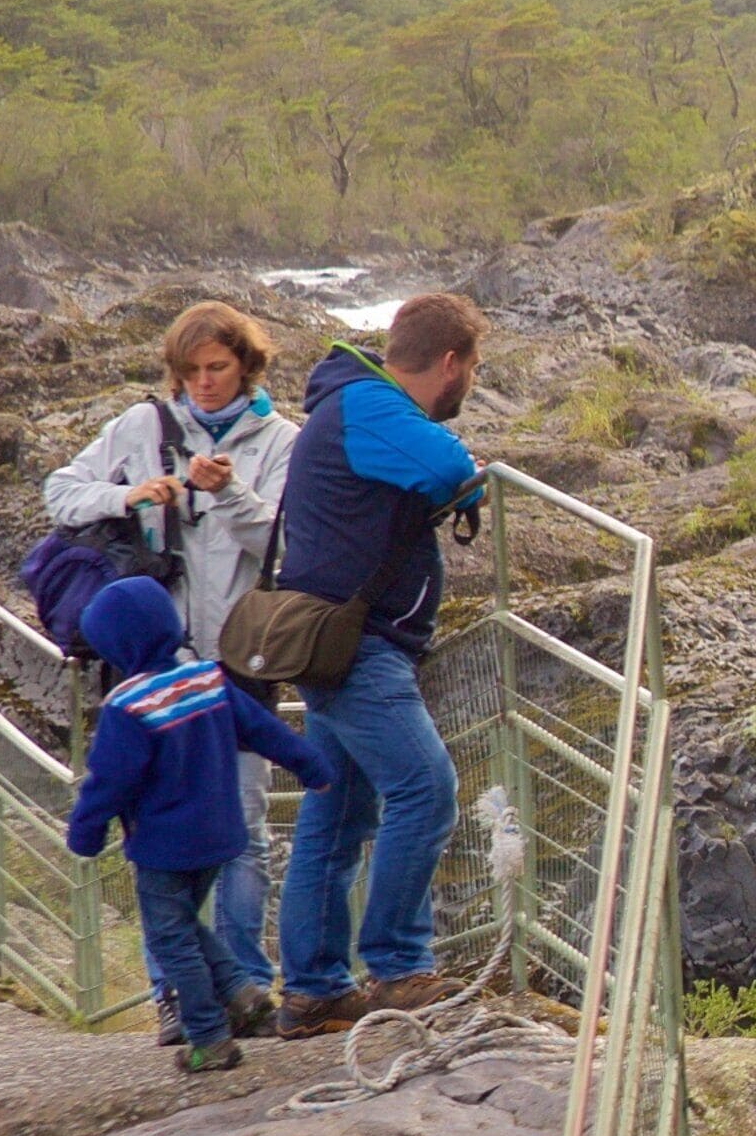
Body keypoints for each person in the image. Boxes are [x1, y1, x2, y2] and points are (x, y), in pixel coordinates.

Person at [39, 300, 300, 1034]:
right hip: (150, 665)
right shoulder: (141, 427)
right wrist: (131, 492)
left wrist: (229, 492)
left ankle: (244, 985)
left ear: (246, 365)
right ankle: (177, 999)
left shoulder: (281, 441)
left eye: (217, 369)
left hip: (239, 655)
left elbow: (281, 543)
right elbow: (60, 492)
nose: (204, 385)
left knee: (246, 829)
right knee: (154, 839)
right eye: (190, 373)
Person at [272, 292, 488, 1040]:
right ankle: (397, 966)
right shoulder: (368, 404)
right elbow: (452, 468)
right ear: (451, 362)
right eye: (469, 372)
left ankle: (312, 992)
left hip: (338, 638)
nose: (464, 388)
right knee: (426, 788)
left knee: (337, 812)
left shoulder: (348, 400)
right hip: (356, 647)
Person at [61, 578, 336, 1071]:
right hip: (221, 833)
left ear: (115, 646)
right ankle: (241, 992)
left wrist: (85, 833)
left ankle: (209, 1035)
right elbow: (262, 728)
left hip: (165, 846)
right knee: (182, 923)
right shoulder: (206, 679)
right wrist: (311, 767)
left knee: (170, 939)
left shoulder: (129, 706)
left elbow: (109, 781)